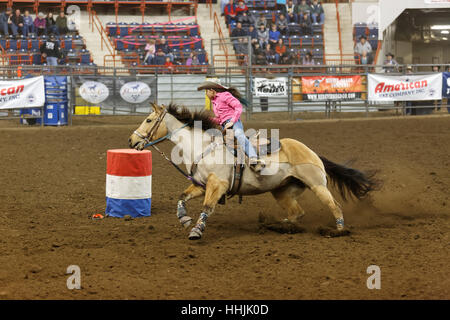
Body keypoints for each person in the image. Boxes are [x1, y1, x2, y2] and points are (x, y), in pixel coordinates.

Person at [197, 79, 265, 171]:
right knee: (223, 145)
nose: (206, 94)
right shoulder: (214, 102)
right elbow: (220, 119)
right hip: (224, 125)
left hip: (234, 123)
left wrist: (232, 121)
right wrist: (208, 119)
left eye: (206, 91)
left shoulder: (225, 96)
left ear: (212, 91)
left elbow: (238, 107)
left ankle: (253, 158)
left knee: (239, 135)